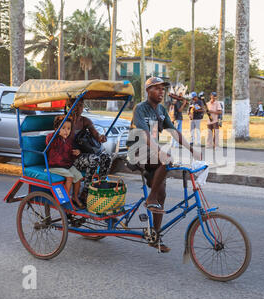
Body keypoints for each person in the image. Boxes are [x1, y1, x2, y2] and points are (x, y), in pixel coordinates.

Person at [127, 77, 202, 253]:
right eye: (157, 88)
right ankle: (150, 198)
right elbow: (144, 135)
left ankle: (155, 236)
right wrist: (160, 152)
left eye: (163, 89)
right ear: (148, 91)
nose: (161, 92)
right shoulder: (140, 108)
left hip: (152, 153)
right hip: (136, 151)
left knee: (162, 193)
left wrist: (192, 149)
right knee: (165, 159)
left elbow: (173, 131)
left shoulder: (161, 110)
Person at [68, 98, 111, 204]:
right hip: (70, 157)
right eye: (76, 105)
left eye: (81, 105)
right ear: (70, 106)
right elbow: (60, 140)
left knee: (107, 158)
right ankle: (86, 192)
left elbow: (95, 134)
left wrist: (101, 137)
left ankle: (101, 187)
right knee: (94, 159)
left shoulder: (85, 121)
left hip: (84, 155)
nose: (79, 108)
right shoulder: (65, 121)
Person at [46, 115, 85, 210]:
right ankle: (66, 201)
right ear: (56, 129)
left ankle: (75, 197)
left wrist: (76, 153)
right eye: (63, 128)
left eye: (68, 129)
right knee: (70, 177)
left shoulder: (68, 141)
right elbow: (48, 142)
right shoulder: (52, 137)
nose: (66, 131)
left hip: (66, 165)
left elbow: (69, 154)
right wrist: (56, 133)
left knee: (78, 176)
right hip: (54, 165)